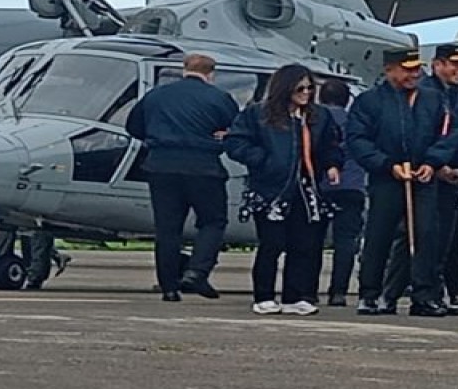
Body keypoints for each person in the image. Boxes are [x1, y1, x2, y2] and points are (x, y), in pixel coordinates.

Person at [346, 47, 456, 318]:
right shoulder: (369, 101)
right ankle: (370, 294)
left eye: (416, 68)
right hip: (387, 178)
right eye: (407, 69)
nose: (414, 74)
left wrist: (432, 163)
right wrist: (386, 164)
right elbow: (358, 140)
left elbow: (448, 135)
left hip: (423, 177)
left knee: (426, 235)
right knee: (378, 236)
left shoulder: (433, 99)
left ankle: (423, 296)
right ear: (389, 69)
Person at [227, 64, 344, 316]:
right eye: (300, 88)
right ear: (285, 88)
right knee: (272, 243)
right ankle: (264, 295)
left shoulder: (319, 116)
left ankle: (294, 296)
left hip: (306, 190)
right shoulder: (258, 114)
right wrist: (263, 160)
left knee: (302, 245)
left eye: (310, 88)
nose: (306, 93)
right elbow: (235, 142)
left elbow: (330, 145)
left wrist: (333, 164)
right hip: (270, 190)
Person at [125, 53, 239, 302]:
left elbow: (133, 127)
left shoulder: (155, 95)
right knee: (212, 221)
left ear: (184, 69)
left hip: (161, 166)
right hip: (204, 166)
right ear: (211, 74)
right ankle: (197, 271)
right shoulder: (219, 98)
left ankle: (168, 287)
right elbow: (235, 129)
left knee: (167, 229)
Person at [312, 79, 364, 307]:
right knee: (346, 242)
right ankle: (338, 291)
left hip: (320, 185)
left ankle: (308, 289)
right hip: (352, 185)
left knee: (311, 240)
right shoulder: (355, 123)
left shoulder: (315, 120)